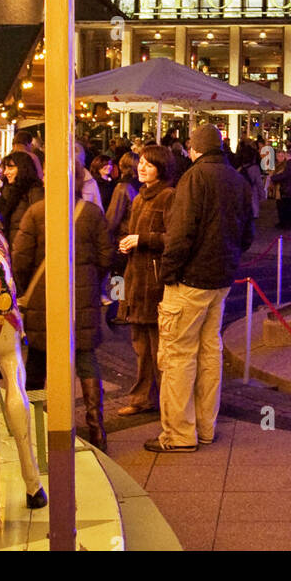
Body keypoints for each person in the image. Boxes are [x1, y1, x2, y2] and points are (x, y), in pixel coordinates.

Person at [146, 123, 254, 453]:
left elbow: (180, 235)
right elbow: (247, 234)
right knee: (209, 354)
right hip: (220, 280)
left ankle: (179, 434)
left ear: (194, 149)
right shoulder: (237, 180)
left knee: (178, 356)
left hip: (189, 280)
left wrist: (169, 273)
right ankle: (205, 427)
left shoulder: (194, 178)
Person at [13, 172, 112, 447]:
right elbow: (107, 255)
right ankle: (96, 428)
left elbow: (20, 259)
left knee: (37, 362)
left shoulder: (35, 212)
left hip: (44, 297)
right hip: (83, 298)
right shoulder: (91, 213)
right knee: (85, 358)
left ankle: (34, 425)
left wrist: (27, 287)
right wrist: (90, 279)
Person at [116, 144, 176, 416]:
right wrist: (128, 243)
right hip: (136, 279)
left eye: (149, 164)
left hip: (155, 282)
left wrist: (143, 240)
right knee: (140, 345)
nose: (142, 167)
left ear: (161, 169)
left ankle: (166, 401)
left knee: (158, 348)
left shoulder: (169, 197)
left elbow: (174, 240)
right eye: (141, 162)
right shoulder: (139, 197)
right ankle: (143, 397)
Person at [0, 150, 44, 245]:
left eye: (11, 168)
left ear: (23, 168)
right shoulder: (3, 191)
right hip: (8, 245)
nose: (6, 172)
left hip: (25, 247)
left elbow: (40, 224)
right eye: (5, 168)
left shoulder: (34, 191)